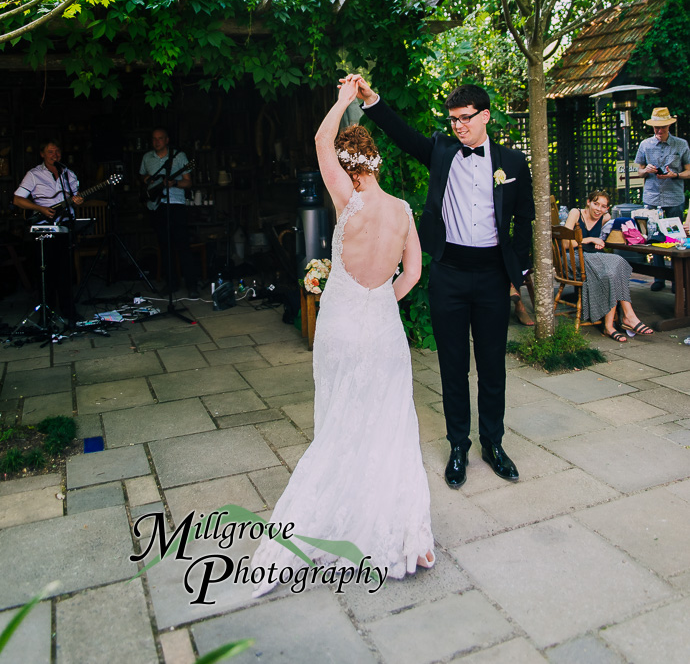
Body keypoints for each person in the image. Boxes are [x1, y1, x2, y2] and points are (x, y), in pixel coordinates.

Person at [251, 76, 434, 596]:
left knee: (341, 421)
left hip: (341, 324)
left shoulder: (345, 199)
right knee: (391, 423)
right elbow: (414, 274)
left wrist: (341, 101)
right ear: (376, 163)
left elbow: (318, 141)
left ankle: (337, 514)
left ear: (350, 169)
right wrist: (381, 301)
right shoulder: (401, 210)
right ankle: (408, 536)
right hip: (382, 327)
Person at [352, 76, 534, 488]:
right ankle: (458, 446)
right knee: (452, 365)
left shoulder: (513, 162)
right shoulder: (441, 150)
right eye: (452, 120)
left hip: (491, 276)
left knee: (491, 366)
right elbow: (402, 135)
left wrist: (516, 270)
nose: (458, 126)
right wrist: (371, 98)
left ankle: (493, 442)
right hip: (449, 273)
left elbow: (525, 219)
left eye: (465, 119)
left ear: (485, 116)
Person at [564, 191, 653, 342]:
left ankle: (610, 325)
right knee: (614, 265)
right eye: (596, 204)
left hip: (592, 257)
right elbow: (566, 243)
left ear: (607, 209)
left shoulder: (605, 218)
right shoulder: (576, 213)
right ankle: (628, 316)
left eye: (603, 206)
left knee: (616, 267)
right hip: (573, 257)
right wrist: (590, 239)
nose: (598, 209)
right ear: (588, 202)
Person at [13, 139, 84, 321]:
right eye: (51, 152)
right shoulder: (34, 174)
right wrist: (40, 209)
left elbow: (75, 196)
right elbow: (18, 199)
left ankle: (69, 311)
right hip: (44, 225)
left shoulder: (68, 174)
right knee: (47, 270)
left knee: (65, 270)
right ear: (43, 154)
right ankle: (47, 312)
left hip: (65, 225)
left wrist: (78, 200)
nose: (55, 155)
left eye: (57, 151)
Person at [635, 106, 690, 292]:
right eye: (656, 128)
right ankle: (659, 278)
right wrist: (647, 171)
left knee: (674, 239)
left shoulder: (681, 144)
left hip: (674, 197)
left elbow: (688, 172)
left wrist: (675, 175)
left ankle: (676, 280)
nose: (659, 131)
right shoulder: (645, 145)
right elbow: (639, 171)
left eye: (662, 128)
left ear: (669, 126)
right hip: (652, 197)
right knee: (653, 237)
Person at [139, 127, 198, 297]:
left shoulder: (179, 157)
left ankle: (191, 285)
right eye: (154, 139)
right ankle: (171, 283)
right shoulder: (147, 158)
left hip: (175, 204)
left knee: (182, 245)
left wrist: (174, 184)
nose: (156, 142)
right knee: (165, 246)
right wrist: (147, 179)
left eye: (160, 138)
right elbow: (142, 175)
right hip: (156, 206)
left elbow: (188, 182)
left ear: (167, 140)